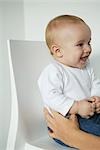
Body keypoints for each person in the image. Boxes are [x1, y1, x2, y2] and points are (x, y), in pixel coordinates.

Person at [38, 15, 100, 146]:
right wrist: (76, 107)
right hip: (67, 121)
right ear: (58, 51)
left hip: (90, 113)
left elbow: (95, 83)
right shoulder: (54, 71)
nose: (88, 49)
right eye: (80, 44)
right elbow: (50, 96)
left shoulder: (86, 67)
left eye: (89, 42)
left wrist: (96, 97)